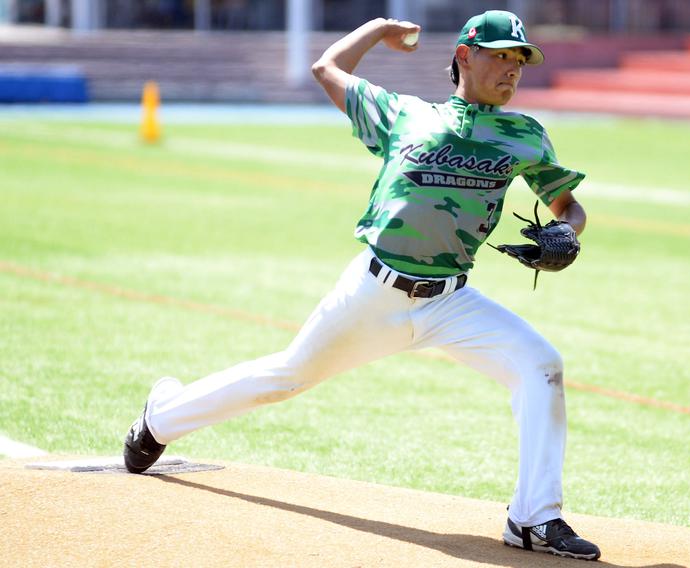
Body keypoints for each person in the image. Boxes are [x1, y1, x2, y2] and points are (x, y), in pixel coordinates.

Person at [123, 10, 600, 561]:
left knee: (541, 365)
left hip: (451, 300)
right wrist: (377, 29)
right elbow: (327, 66)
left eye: (520, 60)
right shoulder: (403, 114)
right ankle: (160, 419)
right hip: (373, 294)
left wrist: (566, 233)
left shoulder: (526, 135)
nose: (513, 69)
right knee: (285, 377)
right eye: (501, 56)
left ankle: (534, 518)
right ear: (464, 55)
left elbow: (569, 206)